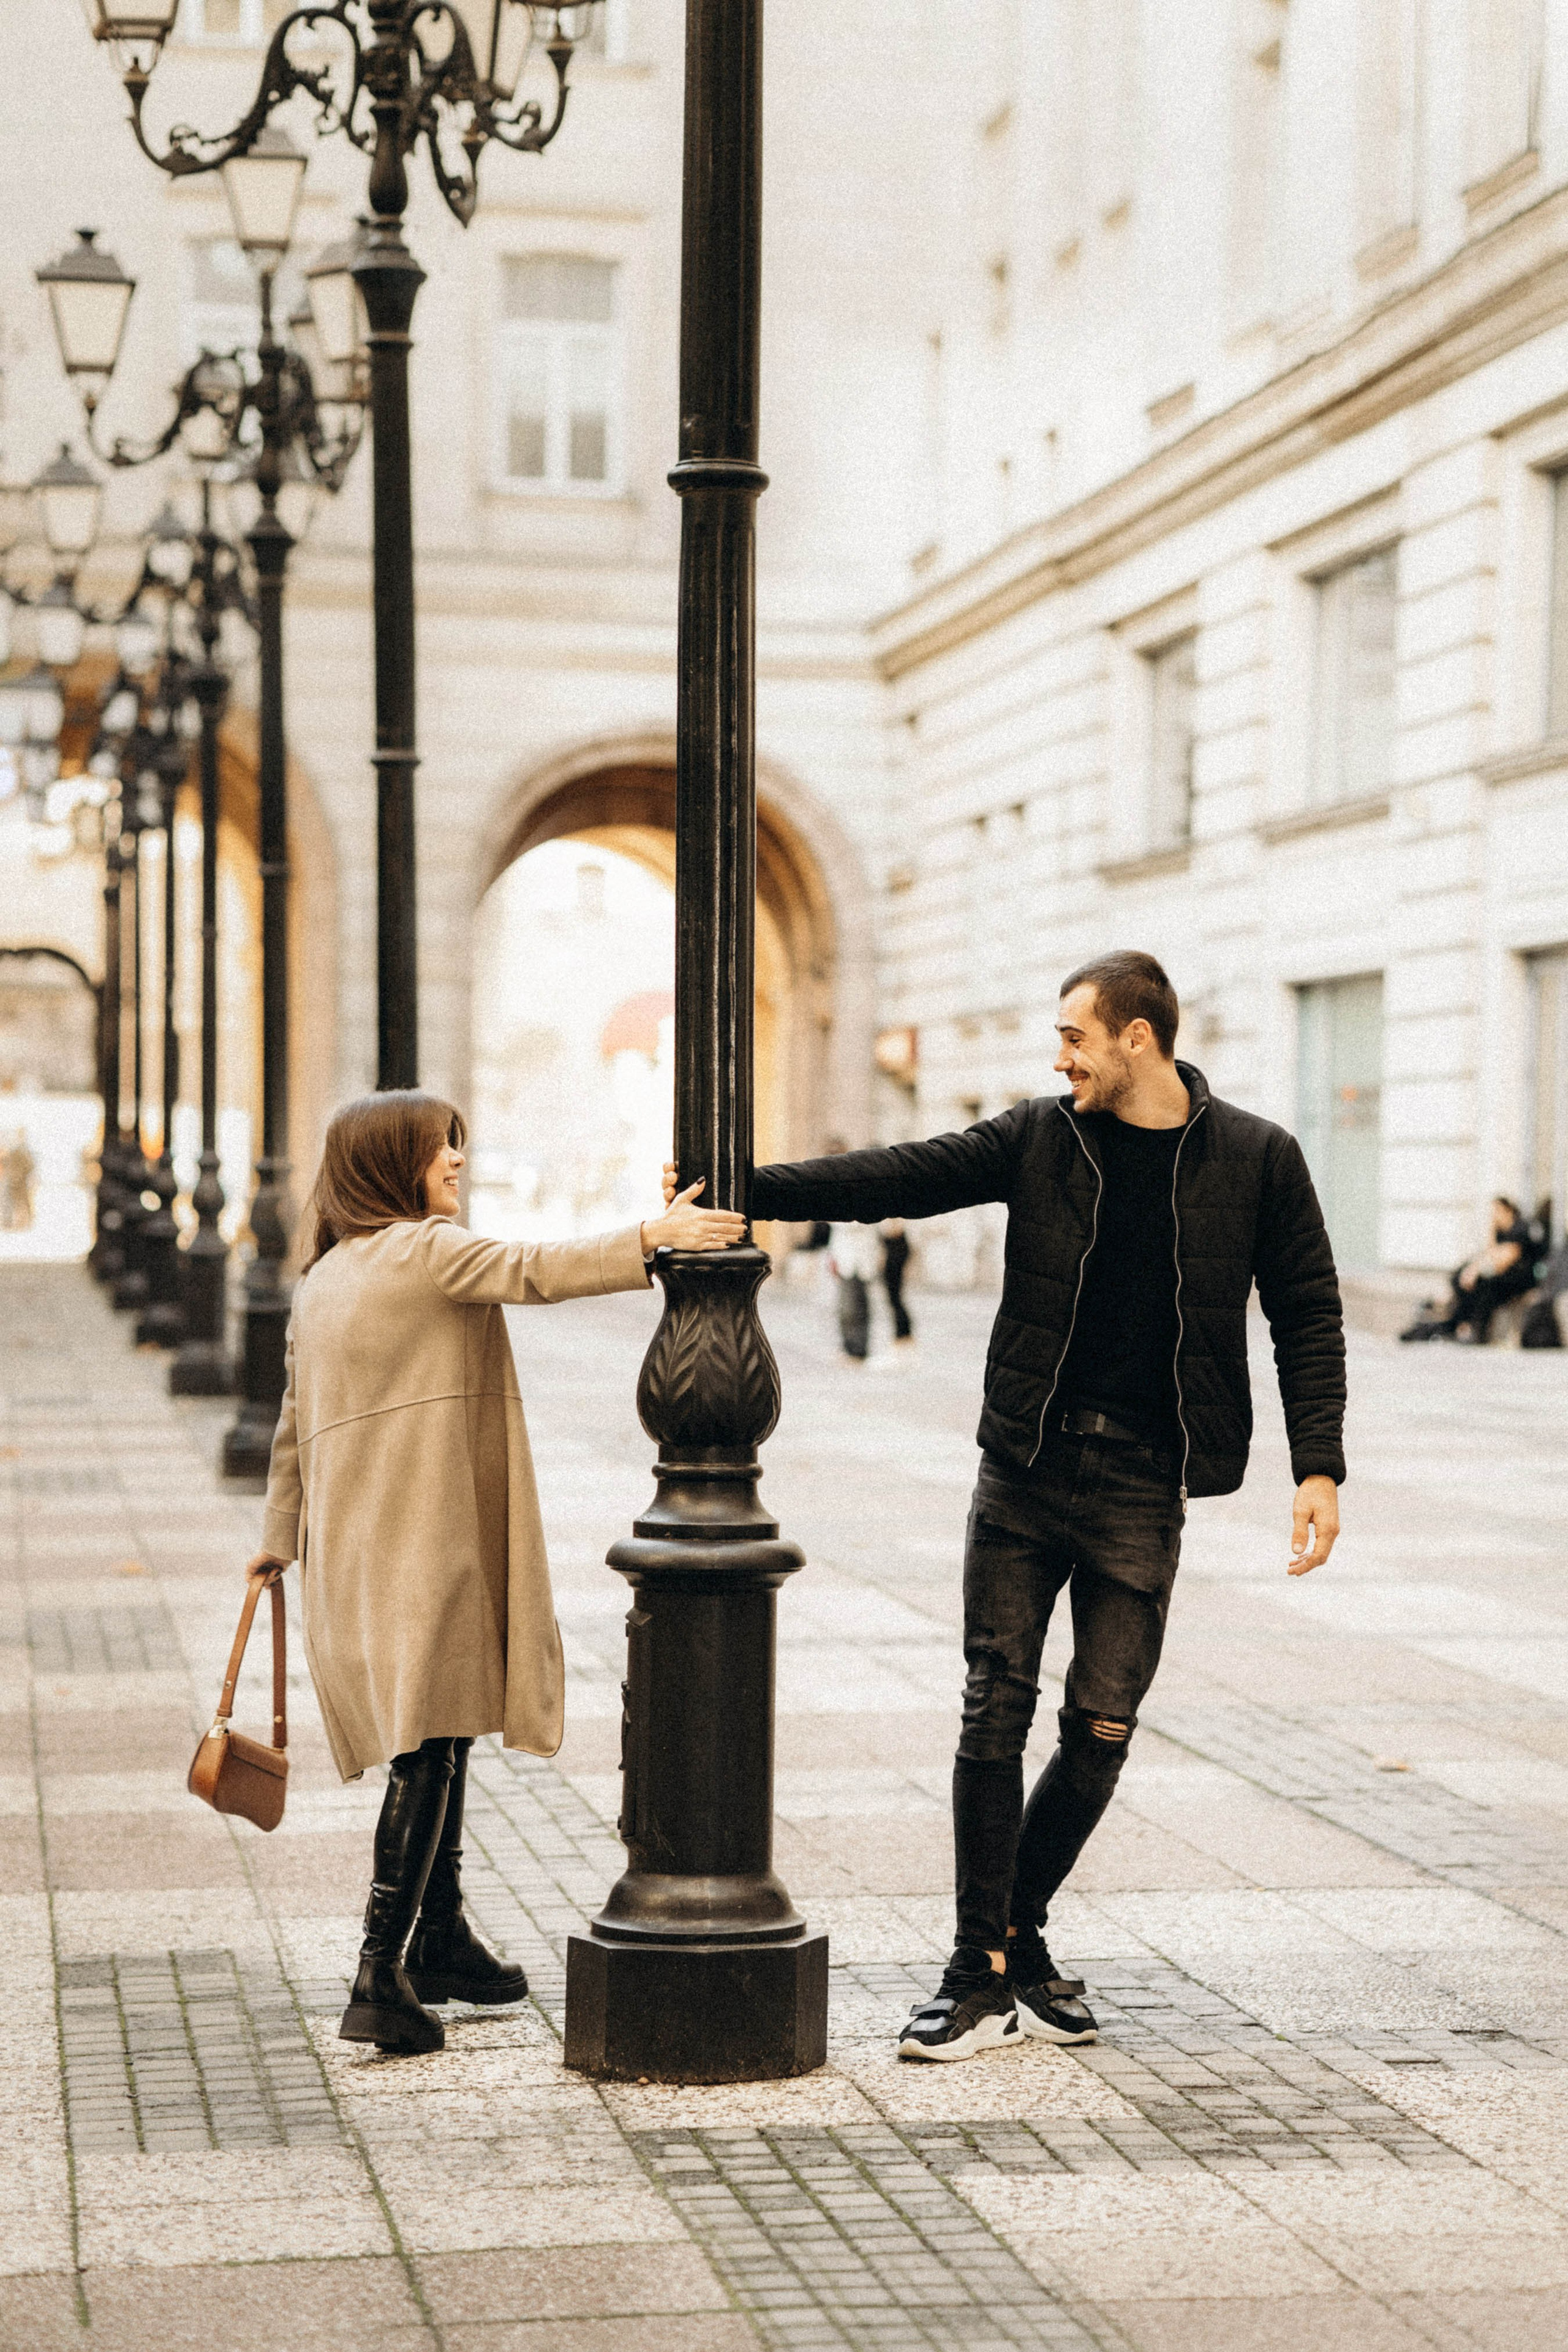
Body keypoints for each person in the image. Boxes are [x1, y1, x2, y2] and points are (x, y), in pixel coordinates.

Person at [662, 949, 1345, 2060]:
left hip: (1143, 1481)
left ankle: (1016, 1929)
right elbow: (901, 1176)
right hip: (1026, 1469)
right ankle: (978, 1967)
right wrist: (747, 1185)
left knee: (1103, 1729)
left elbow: (1308, 1311)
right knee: (996, 1705)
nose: (1060, 1055)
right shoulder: (1041, 1135)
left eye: (1076, 1035)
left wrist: (1319, 1465)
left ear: (1139, 1037)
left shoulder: (1258, 1158)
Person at [248, 1089, 743, 2057]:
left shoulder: (325, 1277)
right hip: (423, 1534)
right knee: (430, 1740)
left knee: (440, 1724)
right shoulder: (425, 1251)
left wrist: (278, 1535)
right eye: (443, 1152)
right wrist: (656, 1234)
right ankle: (377, 1969)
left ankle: (439, 1938)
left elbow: (291, 1422)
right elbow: (533, 1270)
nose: (457, 1166)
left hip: (360, 1541)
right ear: (396, 1165)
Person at [1400, 1196, 1541, 1344]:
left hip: (1520, 1281)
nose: (1493, 1216)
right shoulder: (1500, 1231)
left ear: (1508, 1210)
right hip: (1503, 1278)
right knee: (1463, 1275)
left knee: (1485, 1286)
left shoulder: (1519, 1228)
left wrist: (1476, 1270)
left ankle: (1473, 1328)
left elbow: (1504, 1260)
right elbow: (1490, 1254)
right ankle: (1456, 1320)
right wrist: (1490, 1232)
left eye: (1496, 1211)